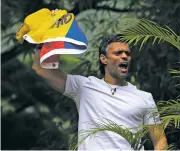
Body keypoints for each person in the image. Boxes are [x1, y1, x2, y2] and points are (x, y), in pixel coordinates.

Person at [32, 9, 168, 150]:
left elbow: (160, 141)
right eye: (118, 53)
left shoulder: (144, 98)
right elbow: (42, 69)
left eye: (127, 53)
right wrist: (51, 32)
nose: (124, 56)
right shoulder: (84, 88)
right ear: (103, 59)